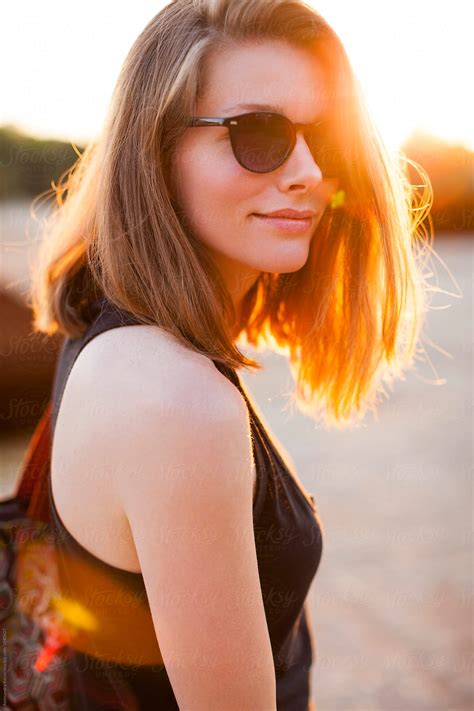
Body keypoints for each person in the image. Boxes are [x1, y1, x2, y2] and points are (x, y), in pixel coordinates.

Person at [29, 0, 432, 708]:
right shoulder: (179, 402)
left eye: (326, 139)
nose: (309, 170)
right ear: (154, 149)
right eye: (259, 133)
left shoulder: (105, 321)